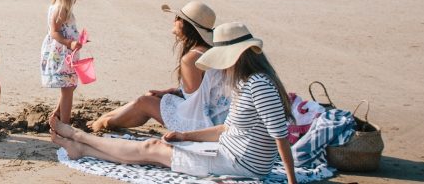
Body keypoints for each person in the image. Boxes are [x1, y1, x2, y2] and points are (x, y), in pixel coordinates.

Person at [49, 22, 298, 184]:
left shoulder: (258, 85)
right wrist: (185, 135)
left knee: (152, 149)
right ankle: (81, 147)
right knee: (153, 151)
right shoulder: (245, 82)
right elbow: (226, 129)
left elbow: (280, 136)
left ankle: (78, 137)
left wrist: (291, 181)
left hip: (240, 164)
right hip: (229, 153)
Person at [90, 2, 231, 132]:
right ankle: (103, 119)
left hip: (200, 124)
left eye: (178, 18)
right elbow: (202, 92)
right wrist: (172, 92)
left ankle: (102, 124)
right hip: (217, 116)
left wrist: (173, 94)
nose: (174, 21)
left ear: (186, 25)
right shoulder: (210, 51)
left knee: (144, 102)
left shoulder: (191, 59)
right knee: (148, 97)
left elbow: (194, 103)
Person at [40, 0, 84, 124]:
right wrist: (70, 42)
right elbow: (54, 32)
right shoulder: (61, 10)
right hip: (61, 55)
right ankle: (65, 124)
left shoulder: (61, 7)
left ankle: (57, 114)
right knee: (67, 89)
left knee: (69, 87)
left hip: (66, 54)